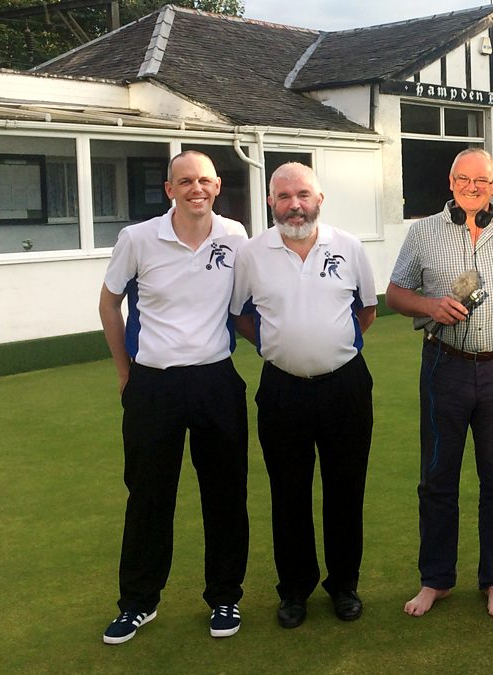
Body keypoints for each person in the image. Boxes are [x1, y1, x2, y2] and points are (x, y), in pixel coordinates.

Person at [98, 150, 249, 644]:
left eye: (204, 180)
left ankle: (225, 596)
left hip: (215, 381)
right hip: (153, 385)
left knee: (225, 496)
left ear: (218, 186)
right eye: (185, 181)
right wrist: (125, 372)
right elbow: (109, 303)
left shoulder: (236, 236)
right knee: (147, 497)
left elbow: (249, 301)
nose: (195, 189)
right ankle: (138, 603)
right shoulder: (138, 238)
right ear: (170, 190)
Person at [230, 162, 377, 629]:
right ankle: (293, 590)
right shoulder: (252, 254)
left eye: (304, 195)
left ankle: (343, 586)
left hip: (346, 387)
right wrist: (282, 345)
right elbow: (240, 316)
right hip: (282, 390)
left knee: (345, 491)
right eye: (284, 196)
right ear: (271, 201)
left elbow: (367, 309)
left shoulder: (349, 247)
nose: (295, 205)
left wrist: (328, 346)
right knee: (288, 494)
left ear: (319, 199)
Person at [385, 148, 493, 618]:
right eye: (464, 179)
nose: (473, 187)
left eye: (482, 181)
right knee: (437, 478)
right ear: (451, 182)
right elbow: (395, 293)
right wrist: (428, 307)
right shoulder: (423, 232)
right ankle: (436, 580)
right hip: (442, 366)